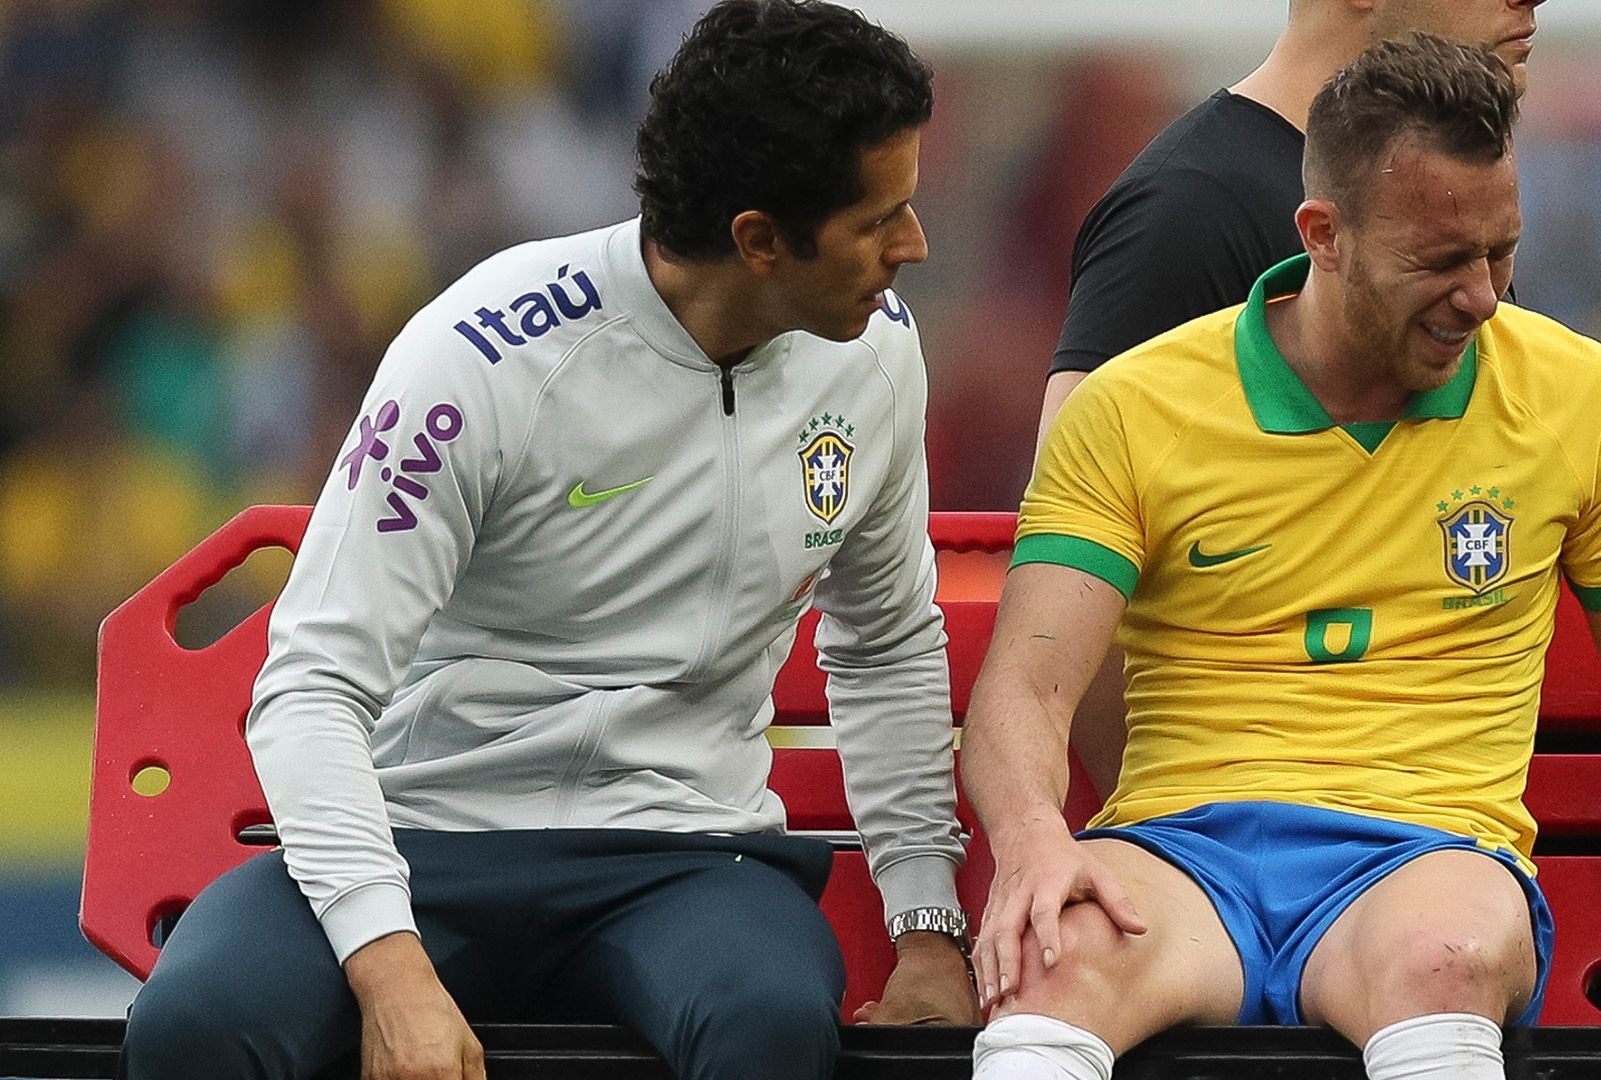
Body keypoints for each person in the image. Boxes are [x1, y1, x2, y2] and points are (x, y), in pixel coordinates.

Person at [121, 3, 976, 1078]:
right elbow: (311, 686)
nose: (915, 245)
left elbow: (887, 644)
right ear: (759, 240)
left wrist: (929, 931)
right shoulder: (481, 355)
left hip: (689, 862)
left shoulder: (877, 355)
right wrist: (391, 971)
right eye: (880, 219)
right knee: (195, 1029)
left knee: (765, 1025)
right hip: (422, 840)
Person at [964, 34, 1601, 1080]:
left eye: (1500, 252)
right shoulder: (1132, 407)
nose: (1483, 296)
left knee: (1444, 962)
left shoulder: (1585, 399)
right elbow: (1022, 692)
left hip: (1424, 858)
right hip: (1180, 857)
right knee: (1046, 966)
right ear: (1323, 234)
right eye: (1440, 261)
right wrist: (1032, 844)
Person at [1039, 0, 1549, 797]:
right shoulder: (1188, 214)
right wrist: (1189, 853)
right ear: (1321, 235)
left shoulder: (1446, 193)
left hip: (1450, 828)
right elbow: (1069, 567)